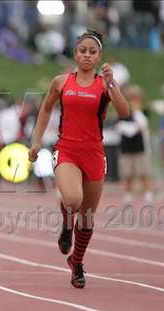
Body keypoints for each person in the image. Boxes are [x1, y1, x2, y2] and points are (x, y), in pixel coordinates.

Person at [29, 30, 129, 289]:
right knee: (73, 199)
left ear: (99, 57)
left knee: (86, 217)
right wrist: (36, 141)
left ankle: (77, 262)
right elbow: (46, 108)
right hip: (67, 150)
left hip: (94, 154)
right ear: (75, 54)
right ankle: (65, 225)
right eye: (82, 50)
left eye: (92, 51)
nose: (86, 55)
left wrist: (113, 83)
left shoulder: (105, 85)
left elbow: (125, 111)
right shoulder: (61, 82)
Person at [115, 85, 153, 206]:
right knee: (127, 174)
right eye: (132, 97)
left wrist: (137, 112)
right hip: (126, 149)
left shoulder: (143, 112)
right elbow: (124, 129)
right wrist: (134, 127)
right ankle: (127, 196)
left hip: (140, 149)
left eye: (137, 97)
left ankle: (148, 195)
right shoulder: (122, 112)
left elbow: (142, 125)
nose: (135, 100)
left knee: (144, 173)